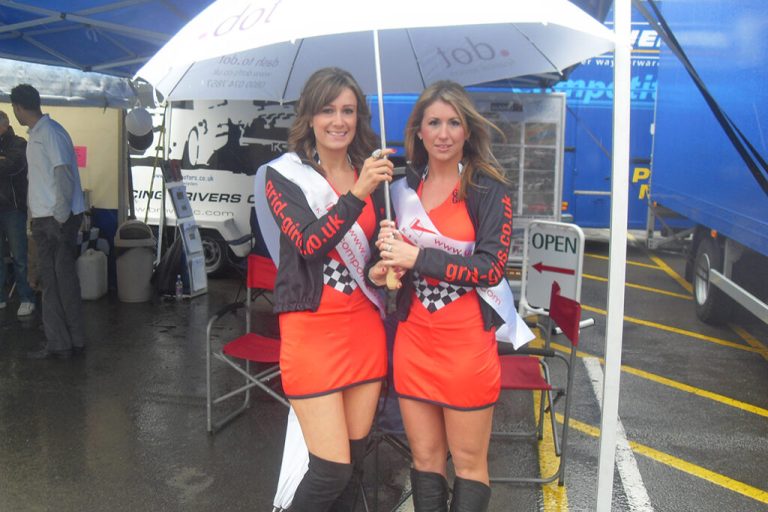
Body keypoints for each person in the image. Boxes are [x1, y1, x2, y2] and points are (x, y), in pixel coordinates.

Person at [371, 81, 533, 512]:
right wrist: (388, 259)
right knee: (424, 460)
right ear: (419, 132)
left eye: (453, 123)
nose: (443, 133)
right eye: (434, 123)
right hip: (414, 342)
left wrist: (418, 255)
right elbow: (389, 263)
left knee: (467, 462)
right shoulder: (401, 192)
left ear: (467, 131)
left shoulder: (488, 189)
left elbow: (490, 268)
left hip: (465, 346)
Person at [258, 67, 394, 511]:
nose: (339, 120)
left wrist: (379, 269)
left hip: (364, 331)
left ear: (359, 117)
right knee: (329, 469)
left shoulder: (371, 175)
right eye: (328, 110)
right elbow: (310, 243)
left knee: (352, 465)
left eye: (348, 111)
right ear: (310, 117)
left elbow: (369, 256)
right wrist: (357, 193)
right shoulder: (285, 176)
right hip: (312, 332)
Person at [10, 84, 87, 360]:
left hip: (55, 219)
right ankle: (66, 341)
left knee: (58, 283)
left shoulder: (49, 133)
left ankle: (65, 342)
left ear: (18, 108)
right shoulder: (41, 133)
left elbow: (63, 173)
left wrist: (60, 215)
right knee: (56, 283)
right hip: (49, 217)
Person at [0, 110, 36, 316]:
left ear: (3, 125)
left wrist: (3, 160)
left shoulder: (19, 143)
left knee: (19, 256)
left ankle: (26, 297)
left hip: (14, 208)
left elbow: (11, 166)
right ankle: (1, 297)